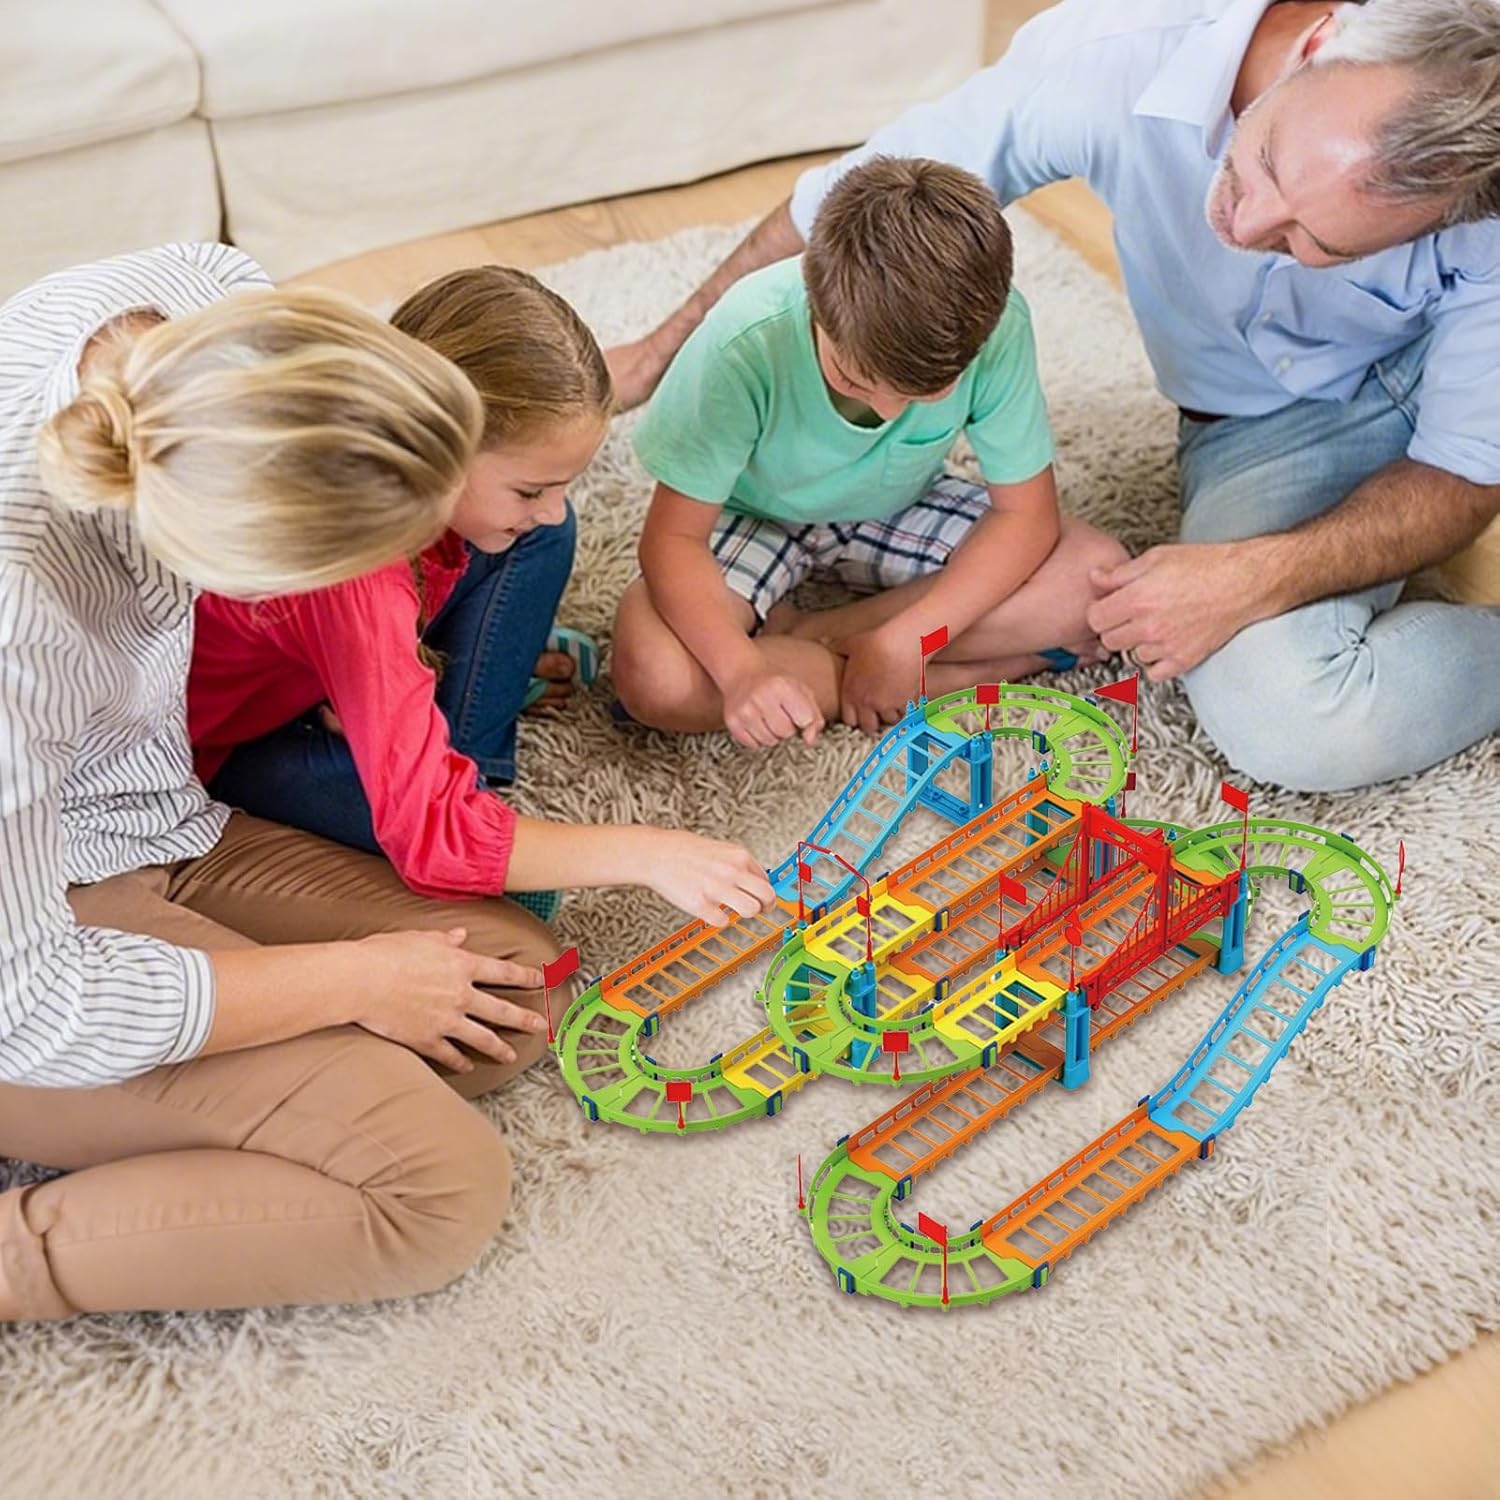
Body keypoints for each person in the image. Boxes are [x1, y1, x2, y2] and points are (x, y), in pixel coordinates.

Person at [0, 245, 692, 1324]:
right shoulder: (22, 630)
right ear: (247, 577)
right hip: (39, 952)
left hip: (155, 813)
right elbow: (37, 1002)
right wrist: (354, 982)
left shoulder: (218, 304)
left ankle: (249, 1110)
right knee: (440, 1190)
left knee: (513, 986)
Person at [606, 0, 1500, 791]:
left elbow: (1466, 472)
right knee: (1132, 614)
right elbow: (854, 204)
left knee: (1278, 711)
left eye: (1320, 245)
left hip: (1435, 437)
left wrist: (1255, 574)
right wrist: (656, 353)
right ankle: (842, 648)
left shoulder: (1483, 211)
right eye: (1263, 161)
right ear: (1318, 39)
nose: (1247, 224)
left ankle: (829, 646)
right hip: (1261, 425)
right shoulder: (1121, 47)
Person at [190, 266, 773, 926]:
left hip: (318, 667)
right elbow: (430, 837)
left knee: (539, 538)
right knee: (486, 875)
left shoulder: (397, 452)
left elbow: (530, 525)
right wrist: (650, 852)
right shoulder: (359, 572)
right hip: (239, 745)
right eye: (531, 489)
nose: (553, 506)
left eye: (561, 484)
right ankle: (446, 763)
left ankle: (437, 747)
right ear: (438, 445)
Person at [612, 157, 1127, 747]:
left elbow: (1026, 515)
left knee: (1097, 578)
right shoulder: (747, 337)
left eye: (925, 393)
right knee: (655, 673)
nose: (887, 411)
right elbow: (674, 539)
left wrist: (912, 639)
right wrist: (741, 672)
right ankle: (966, 677)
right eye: (853, 381)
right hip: (752, 512)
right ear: (815, 299)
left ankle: (824, 637)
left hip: (900, 503)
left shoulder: (998, 325)